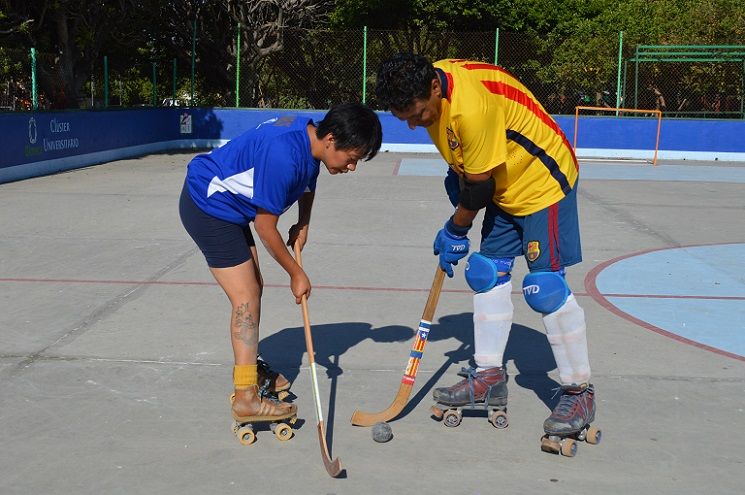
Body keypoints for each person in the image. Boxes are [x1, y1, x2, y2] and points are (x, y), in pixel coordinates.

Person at [376, 54, 596, 440]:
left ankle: (579, 392)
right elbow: (466, 164)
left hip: (543, 181)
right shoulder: (434, 83)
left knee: (544, 289)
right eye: (404, 118)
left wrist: (455, 230)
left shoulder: (471, 107)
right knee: (486, 273)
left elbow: (479, 189)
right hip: (504, 182)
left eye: (417, 114)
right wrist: (455, 175)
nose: (413, 124)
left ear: (433, 88)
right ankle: (489, 377)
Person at [179, 103, 382, 425]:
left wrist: (304, 222)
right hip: (208, 206)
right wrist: (296, 273)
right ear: (331, 139)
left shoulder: (309, 134)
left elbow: (309, 175)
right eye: (352, 158)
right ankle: (246, 397)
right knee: (245, 296)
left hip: (229, 207)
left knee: (253, 288)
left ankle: (250, 367)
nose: (351, 167)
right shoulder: (283, 157)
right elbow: (265, 227)